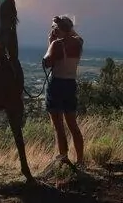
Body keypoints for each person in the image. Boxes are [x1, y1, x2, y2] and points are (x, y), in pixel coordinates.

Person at [42, 15, 85, 168]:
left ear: (59, 29)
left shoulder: (56, 44)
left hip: (57, 84)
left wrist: (50, 42)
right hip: (71, 84)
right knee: (73, 125)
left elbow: (46, 62)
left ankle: (63, 159)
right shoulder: (79, 42)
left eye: (54, 28)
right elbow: (76, 35)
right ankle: (80, 161)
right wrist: (65, 26)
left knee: (58, 125)